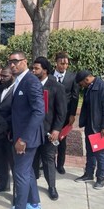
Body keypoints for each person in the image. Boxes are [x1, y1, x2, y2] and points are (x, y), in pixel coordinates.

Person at [0, 51, 45, 209]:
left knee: (21, 174)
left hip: (26, 138)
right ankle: (33, 205)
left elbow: (39, 112)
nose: (12, 65)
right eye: (10, 62)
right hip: (21, 135)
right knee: (28, 172)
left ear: (25, 62)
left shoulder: (30, 81)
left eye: (15, 61)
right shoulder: (20, 81)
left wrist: (23, 138)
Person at [32, 57, 67, 200]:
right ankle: (32, 182)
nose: (33, 71)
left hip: (49, 131)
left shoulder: (56, 87)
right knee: (33, 158)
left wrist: (56, 130)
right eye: (32, 68)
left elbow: (61, 112)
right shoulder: (31, 84)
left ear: (45, 70)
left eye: (36, 69)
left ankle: (51, 186)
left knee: (48, 159)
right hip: (33, 131)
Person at [75, 70, 104, 189]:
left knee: (100, 154)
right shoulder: (90, 87)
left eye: (81, 83)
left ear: (86, 79)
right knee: (90, 151)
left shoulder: (102, 87)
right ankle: (89, 174)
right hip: (90, 125)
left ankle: (101, 178)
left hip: (99, 127)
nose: (81, 86)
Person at [52, 52, 79, 174]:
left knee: (62, 140)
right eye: (62, 63)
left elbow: (75, 97)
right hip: (50, 114)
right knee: (50, 139)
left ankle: (60, 164)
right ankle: (49, 163)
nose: (64, 66)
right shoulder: (49, 76)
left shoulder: (72, 77)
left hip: (65, 114)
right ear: (56, 63)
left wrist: (72, 114)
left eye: (66, 64)